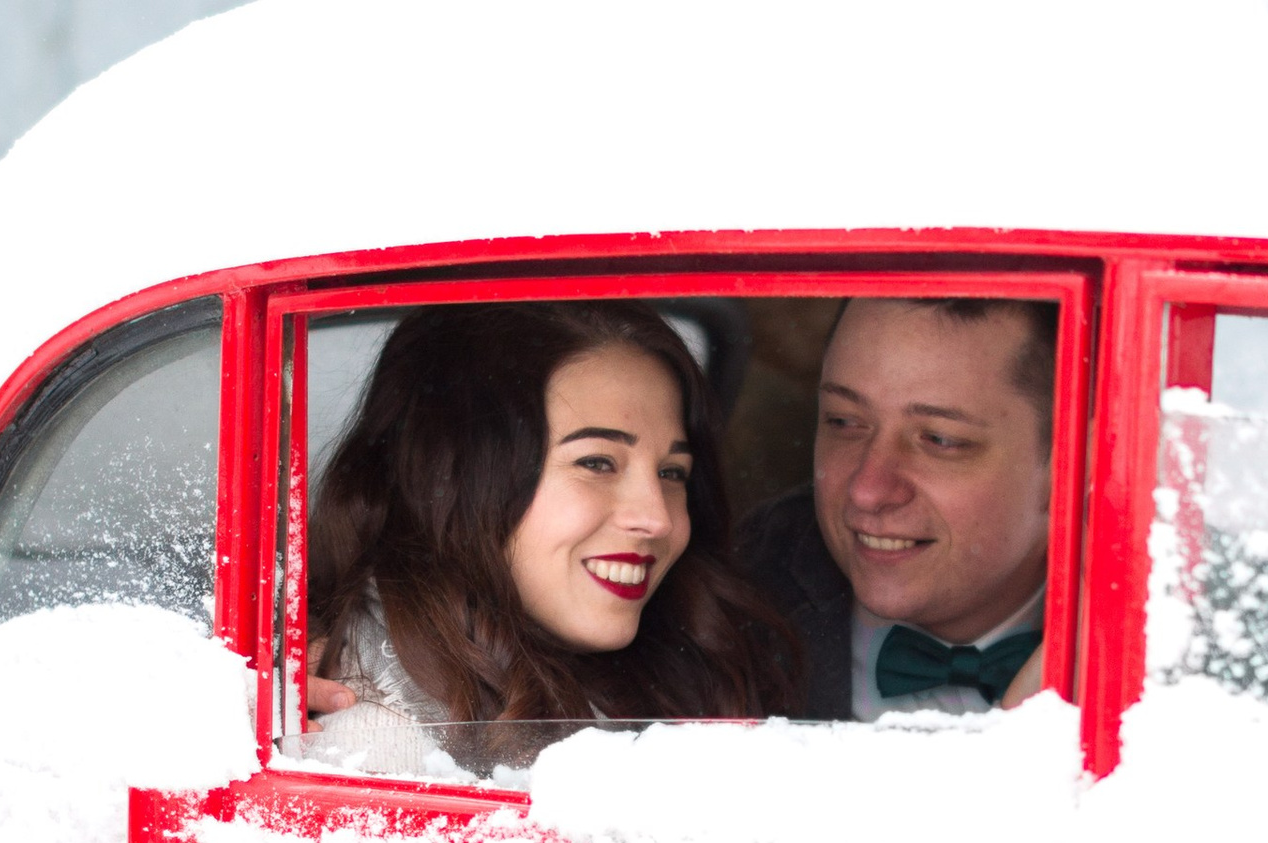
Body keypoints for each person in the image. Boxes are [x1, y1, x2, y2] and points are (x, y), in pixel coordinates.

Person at [302, 302, 798, 777]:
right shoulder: (377, 739)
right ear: (457, 481)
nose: (658, 519)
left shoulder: (657, 661)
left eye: (672, 472)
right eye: (597, 463)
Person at [739, 296, 1057, 721]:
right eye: (843, 422)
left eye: (940, 440)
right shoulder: (725, 604)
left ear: (1071, 463)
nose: (867, 491)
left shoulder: (1165, 634)